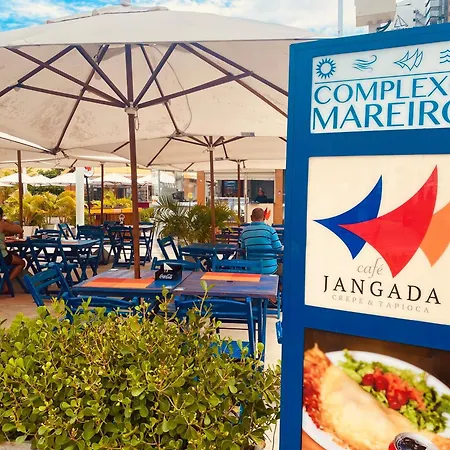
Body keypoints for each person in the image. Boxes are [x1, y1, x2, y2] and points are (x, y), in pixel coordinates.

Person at [240, 207, 282, 274]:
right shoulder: (271, 230)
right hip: (270, 270)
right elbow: (278, 249)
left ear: (251, 217)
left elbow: (242, 250)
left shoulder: (244, 231)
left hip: (251, 269)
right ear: (264, 217)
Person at [0, 208, 25, 293]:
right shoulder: (2, 224)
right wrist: (9, 222)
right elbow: (20, 230)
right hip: (2, 257)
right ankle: (6, 284)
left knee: (12, 254)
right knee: (21, 262)